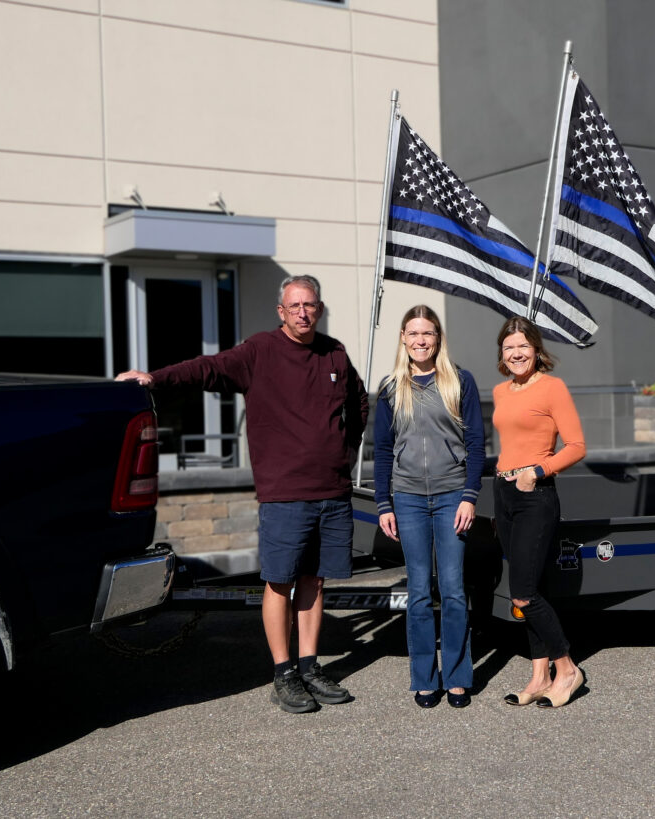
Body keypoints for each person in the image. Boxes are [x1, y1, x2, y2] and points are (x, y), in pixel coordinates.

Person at [115, 274, 368, 715]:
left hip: (332, 490)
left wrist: (345, 452)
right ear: (281, 311)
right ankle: (284, 672)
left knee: (315, 580)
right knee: (280, 581)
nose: (303, 313)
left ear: (319, 308)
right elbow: (205, 368)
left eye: (310, 305)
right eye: (295, 306)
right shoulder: (259, 352)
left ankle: (310, 666)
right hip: (285, 493)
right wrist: (153, 378)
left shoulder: (335, 354)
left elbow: (359, 404)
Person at [374, 305, 485, 709]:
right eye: (413, 333)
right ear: (403, 337)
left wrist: (470, 496)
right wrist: (384, 503)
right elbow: (383, 450)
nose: (421, 340)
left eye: (428, 333)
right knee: (419, 590)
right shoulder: (391, 388)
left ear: (438, 338)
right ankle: (424, 678)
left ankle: (457, 677)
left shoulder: (460, 381)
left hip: (452, 496)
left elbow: (476, 446)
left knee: (453, 589)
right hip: (407, 499)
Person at [492, 316, 587, 709]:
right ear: (502, 353)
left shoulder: (553, 388)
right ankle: (538, 675)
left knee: (524, 593)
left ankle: (567, 669)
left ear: (536, 351)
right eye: (509, 347)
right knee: (531, 589)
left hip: (536, 494)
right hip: (504, 492)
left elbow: (577, 445)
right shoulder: (500, 391)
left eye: (523, 346)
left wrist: (537, 471)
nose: (516, 353)